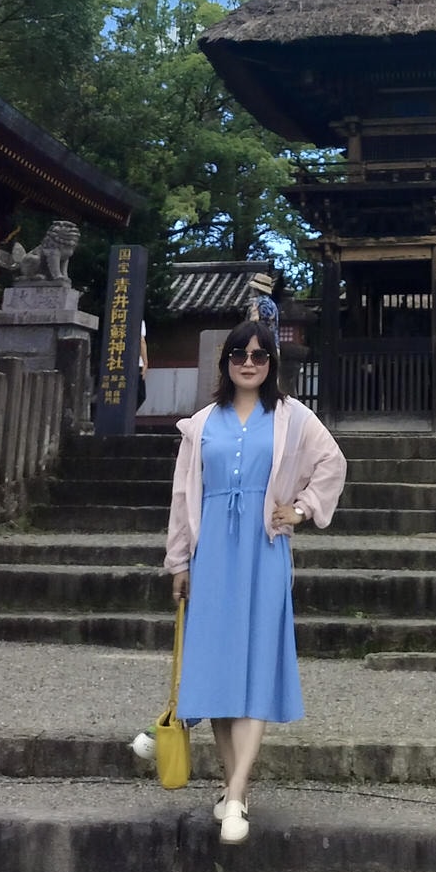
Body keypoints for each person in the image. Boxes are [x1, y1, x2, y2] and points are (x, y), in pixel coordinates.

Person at [158, 319, 346, 844]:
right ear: (226, 361)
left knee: (257, 663)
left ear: (272, 365)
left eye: (260, 356)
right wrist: (178, 562)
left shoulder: (291, 418)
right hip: (212, 551)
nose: (249, 362)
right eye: (240, 353)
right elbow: (180, 499)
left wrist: (302, 509)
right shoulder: (199, 425)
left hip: (264, 552)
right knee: (218, 671)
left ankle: (237, 793)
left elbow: (333, 463)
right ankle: (230, 784)